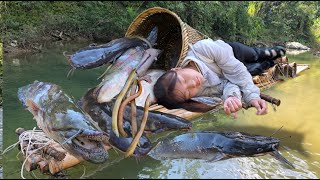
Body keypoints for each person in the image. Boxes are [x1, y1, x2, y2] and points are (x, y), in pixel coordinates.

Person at [153, 38, 286, 118]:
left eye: (184, 80)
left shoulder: (203, 49)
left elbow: (237, 71)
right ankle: (273, 62)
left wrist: (253, 97)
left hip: (234, 53)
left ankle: (276, 51)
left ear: (176, 69)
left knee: (256, 55)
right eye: (188, 92)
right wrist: (231, 97)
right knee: (259, 68)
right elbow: (227, 85)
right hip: (231, 73)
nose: (193, 83)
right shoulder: (199, 91)